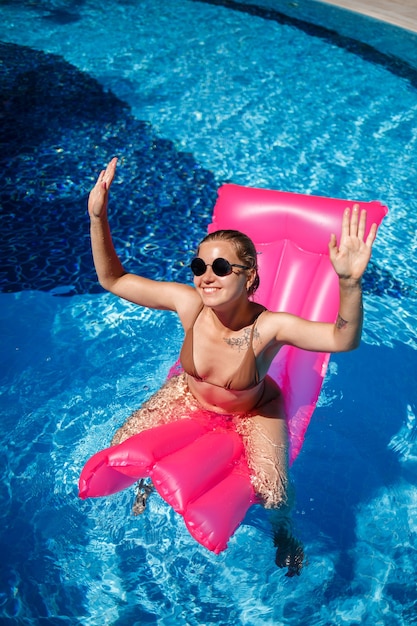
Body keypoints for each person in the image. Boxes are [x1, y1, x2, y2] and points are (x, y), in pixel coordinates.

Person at [87, 157, 378, 576]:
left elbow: (342, 339)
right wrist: (98, 217)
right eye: (199, 266)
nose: (207, 275)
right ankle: (145, 489)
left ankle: (284, 533)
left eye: (221, 267)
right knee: (124, 440)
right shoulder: (188, 305)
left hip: (253, 408)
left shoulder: (269, 327)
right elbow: (112, 280)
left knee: (274, 493)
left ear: (249, 276)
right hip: (190, 392)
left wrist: (349, 283)